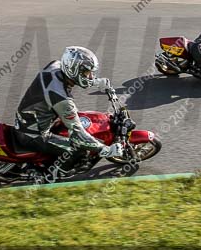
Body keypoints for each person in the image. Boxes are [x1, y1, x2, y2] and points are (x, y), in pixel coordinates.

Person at [14, 46, 124, 179]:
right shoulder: (62, 99)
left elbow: (76, 77)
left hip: (30, 117)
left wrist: (96, 82)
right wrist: (105, 150)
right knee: (77, 148)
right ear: (74, 70)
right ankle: (53, 175)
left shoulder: (55, 65)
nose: (90, 76)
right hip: (33, 133)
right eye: (87, 73)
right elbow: (78, 136)